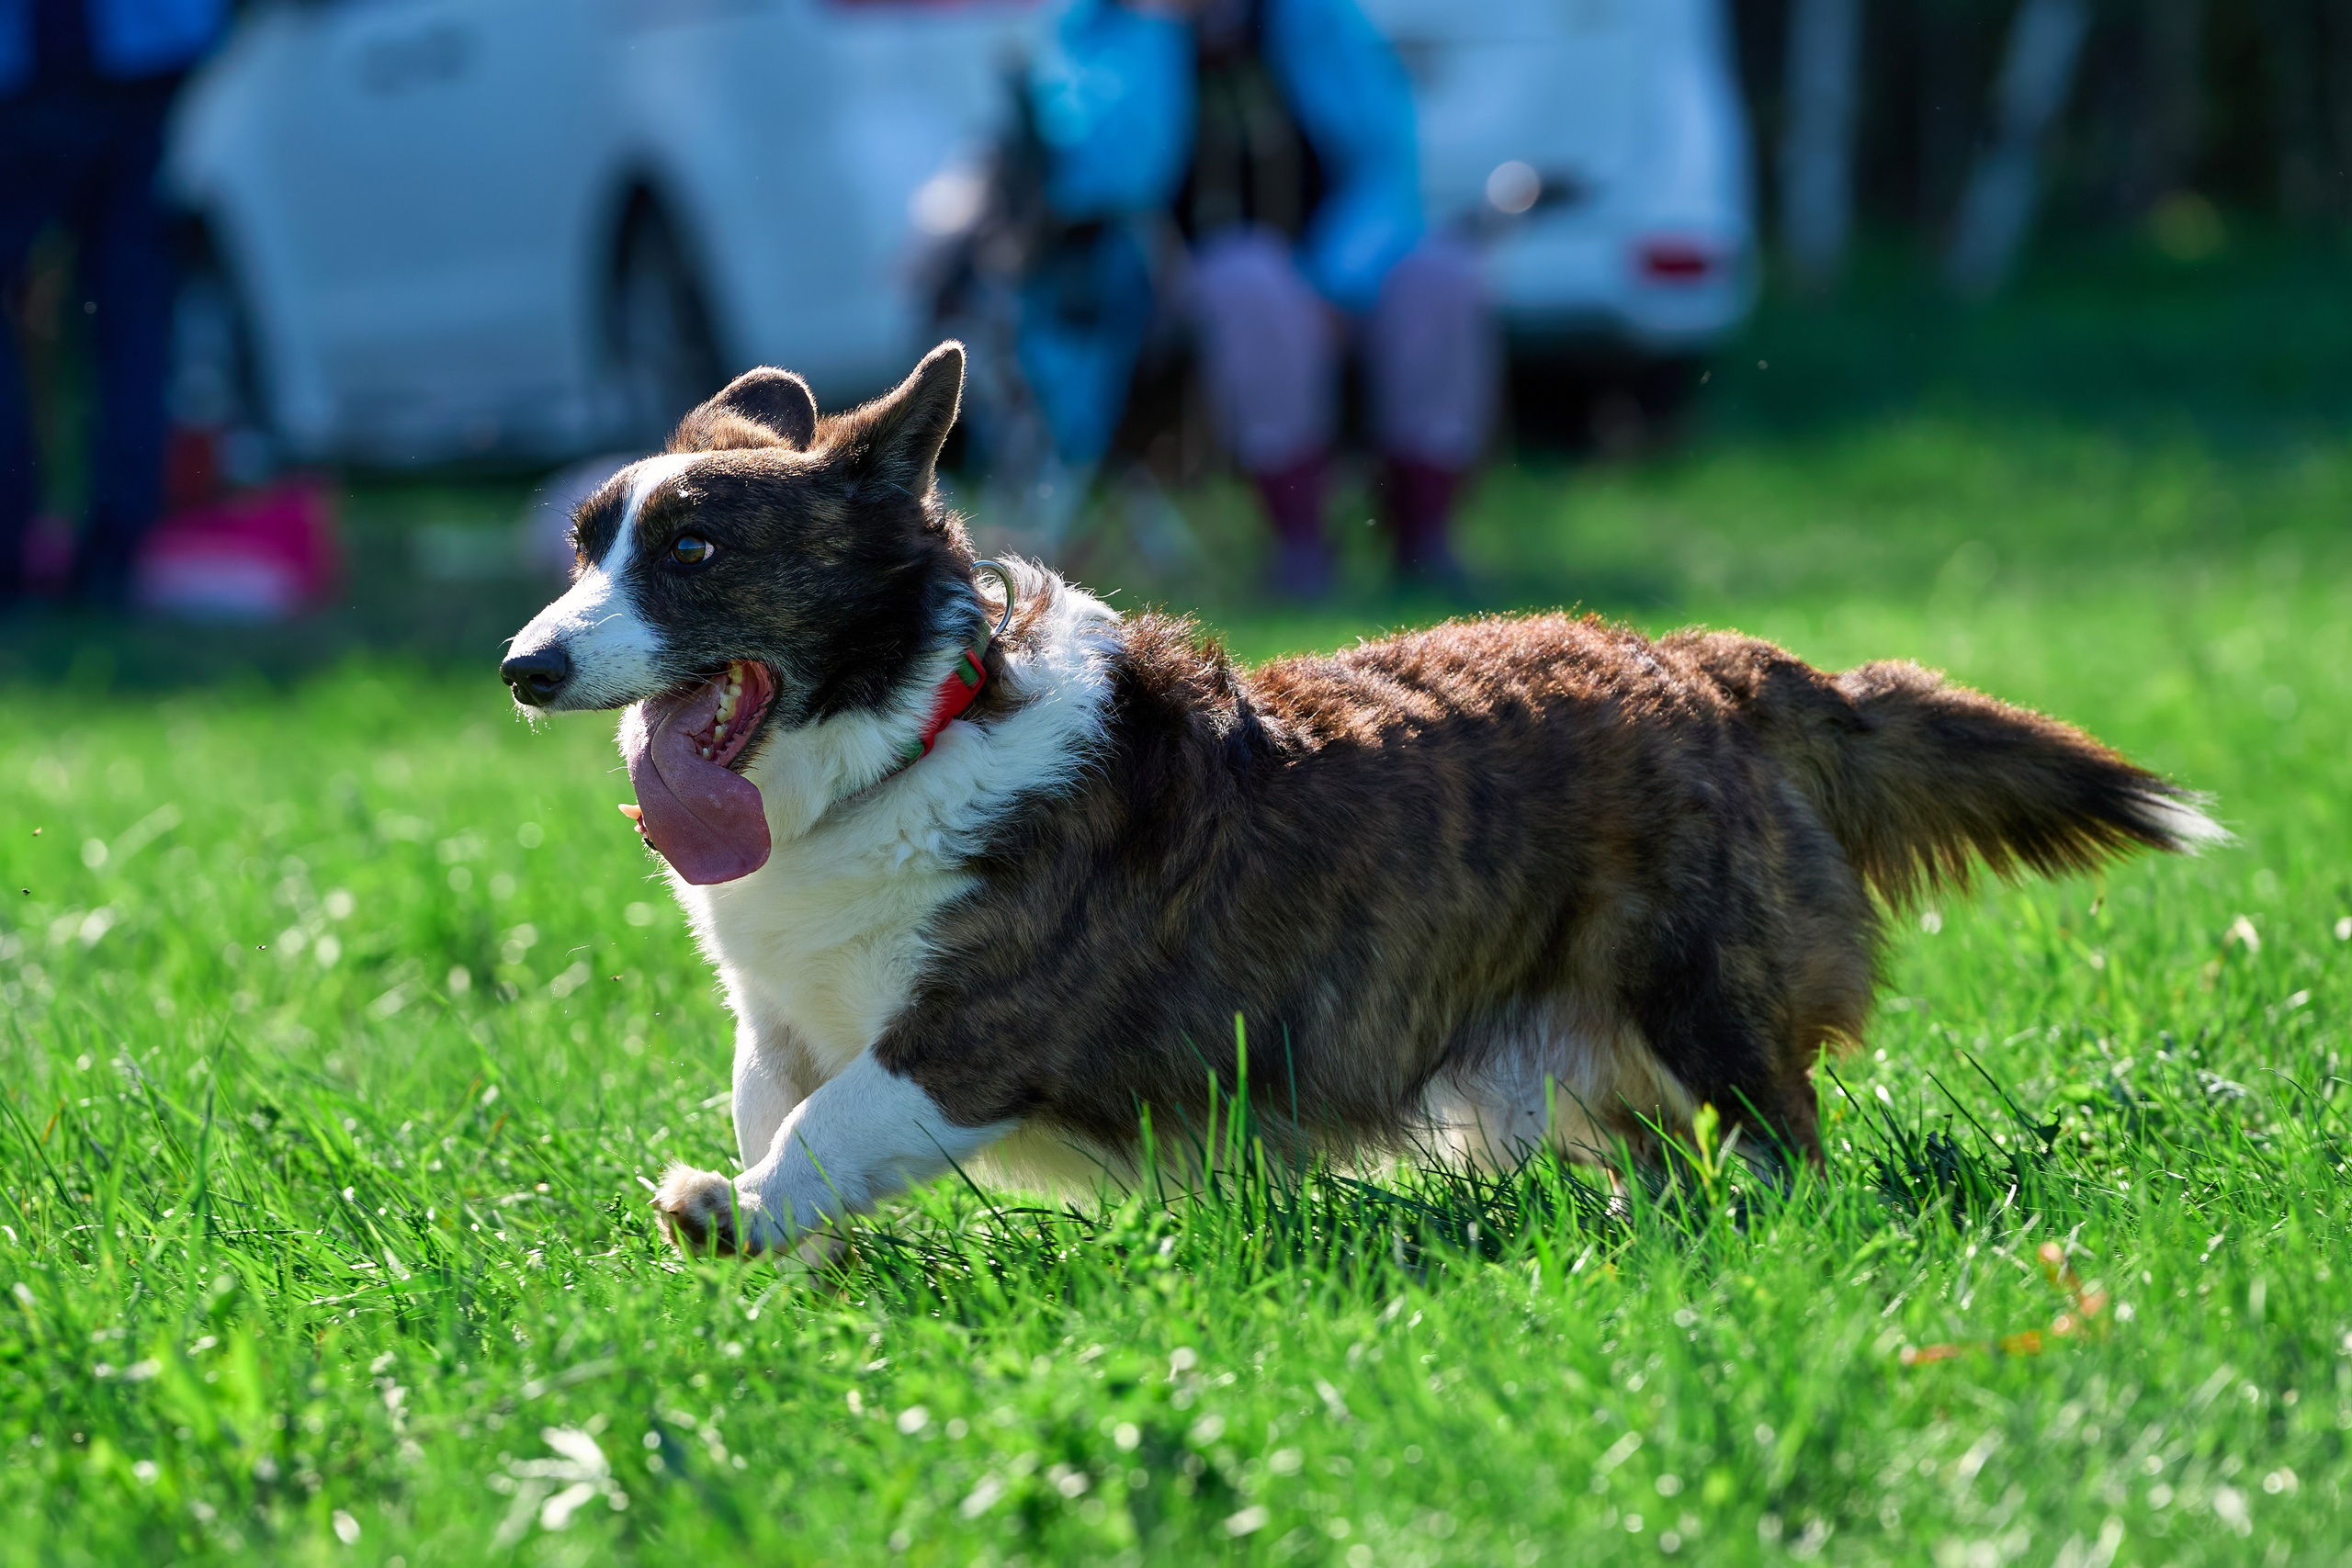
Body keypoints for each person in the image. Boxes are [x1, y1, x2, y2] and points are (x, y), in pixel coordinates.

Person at [1022, 0, 1494, 595]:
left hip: (1330, 278)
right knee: (1250, 274)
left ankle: (1424, 539)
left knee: (1440, 275)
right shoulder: (1099, 32)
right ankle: (1301, 546)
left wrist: (1337, 284)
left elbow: (1386, 166)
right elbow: (1110, 175)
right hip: (1155, 304)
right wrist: (1156, 31)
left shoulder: (1314, 16)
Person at [0, 0, 225, 611]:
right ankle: (116, 552)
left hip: (49, 62)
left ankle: (23, 554)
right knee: (132, 311)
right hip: (146, 52)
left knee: (130, 308)